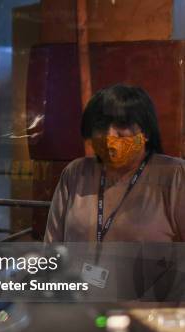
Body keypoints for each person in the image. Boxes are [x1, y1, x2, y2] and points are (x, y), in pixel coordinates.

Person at [45, 84, 185, 243]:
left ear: (145, 132)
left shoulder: (175, 175)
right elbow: (52, 248)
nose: (109, 136)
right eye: (100, 126)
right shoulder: (76, 172)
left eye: (122, 124)